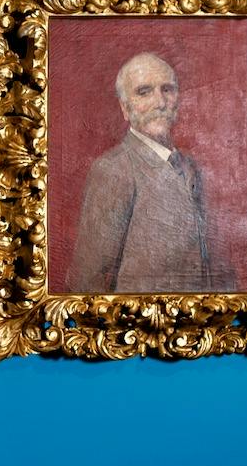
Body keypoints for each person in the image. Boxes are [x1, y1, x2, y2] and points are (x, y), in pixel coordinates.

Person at [66, 51, 235, 293]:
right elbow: (88, 277)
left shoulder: (190, 167)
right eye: (144, 92)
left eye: (167, 89)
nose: (160, 102)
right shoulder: (113, 169)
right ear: (125, 108)